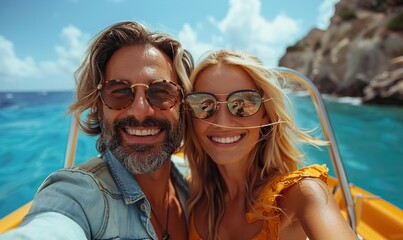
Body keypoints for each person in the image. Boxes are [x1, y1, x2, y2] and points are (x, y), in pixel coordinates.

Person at [0, 21, 193, 240]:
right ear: (98, 109)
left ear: (183, 106)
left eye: (161, 91)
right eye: (119, 92)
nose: (140, 111)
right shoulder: (79, 195)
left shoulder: (195, 181)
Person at [183, 50, 358, 240]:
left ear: (266, 115)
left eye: (242, 104)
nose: (222, 122)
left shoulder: (302, 194)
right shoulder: (188, 193)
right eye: (204, 105)